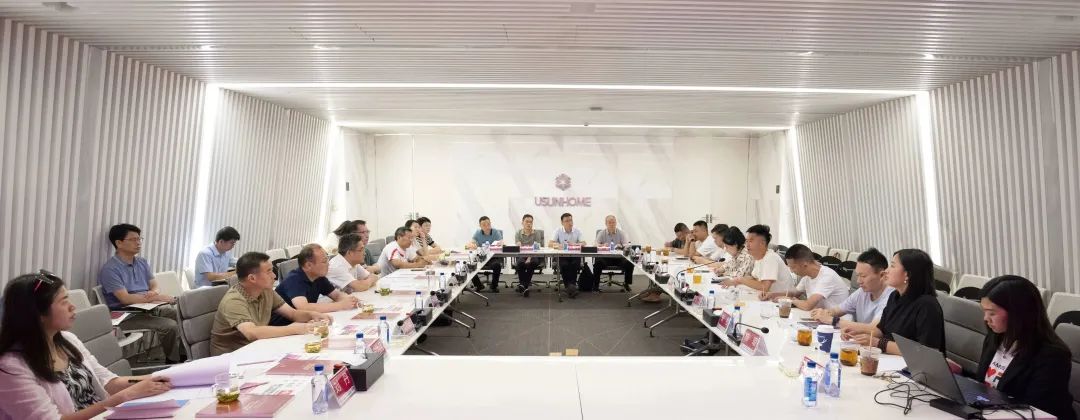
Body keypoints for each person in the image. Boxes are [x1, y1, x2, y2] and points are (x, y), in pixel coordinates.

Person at [0, 272, 173, 420]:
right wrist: (127, 395)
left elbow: (109, 382)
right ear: (38, 313)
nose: (72, 306)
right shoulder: (11, 367)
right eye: (64, 301)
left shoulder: (67, 340)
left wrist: (161, 377)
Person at [955, 276, 1074, 420]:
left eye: (992, 313)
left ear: (1017, 313)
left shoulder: (1052, 356)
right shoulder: (996, 337)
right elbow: (989, 384)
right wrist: (960, 372)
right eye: (984, 312)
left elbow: (1035, 411)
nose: (986, 318)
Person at [211, 252, 332, 356]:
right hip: (232, 357)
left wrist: (312, 315)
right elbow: (251, 332)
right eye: (269, 271)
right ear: (252, 278)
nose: (274, 276)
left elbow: (293, 314)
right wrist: (294, 329)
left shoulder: (266, 291)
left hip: (259, 348)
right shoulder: (234, 301)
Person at [97, 224, 181, 362]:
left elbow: (155, 285)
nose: (138, 243)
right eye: (133, 239)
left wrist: (153, 293)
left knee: (180, 314)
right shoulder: (110, 269)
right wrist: (156, 297)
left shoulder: (142, 262)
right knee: (169, 326)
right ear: (119, 243)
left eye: (139, 239)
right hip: (126, 316)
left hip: (148, 309)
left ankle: (186, 355)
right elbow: (125, 299)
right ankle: (174, 362)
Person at [843, 249, 945, 355]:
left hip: (913, 364)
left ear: (907, 274)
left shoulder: (927, 305)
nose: (886, 271)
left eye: (892, 266)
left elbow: (926, 351)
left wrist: (877, 343)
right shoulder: (894, 296)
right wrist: (855, 332)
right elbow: (881, 330)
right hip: (892, 359)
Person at [810, 248, 893, 333]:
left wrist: (833, 320)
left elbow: (874, 329)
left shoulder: (891, 297)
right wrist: (824, 313)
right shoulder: (862, 292)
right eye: (857, 275)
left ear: (882, 275)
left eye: (863, 276)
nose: (858, 281)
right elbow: (836, 310)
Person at [272, 244, 360, 326]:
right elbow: (304, 307)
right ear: (308, 265)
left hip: (302, 323)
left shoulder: (318, 277)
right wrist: (341, 305)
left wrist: (349, 300)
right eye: (324, 261)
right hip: (281, 326)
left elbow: (336, 295)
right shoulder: (293, 279)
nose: (328, 264)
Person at [766, 244, 850, 310]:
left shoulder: (827, 277)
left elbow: (808, 306)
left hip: (837, 322)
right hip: (821, 317)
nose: (791, 271)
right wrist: (771, 295)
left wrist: (790, 300)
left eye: (793, 267)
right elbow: (795, 293)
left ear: (804, 265)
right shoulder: (808, 275)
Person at [725, 224, 794, 297]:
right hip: (769, 297)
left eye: (751, 241)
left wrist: (740, 280)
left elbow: (764, 287)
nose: (747, 245)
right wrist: (735, 280)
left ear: (762, 243)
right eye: (746, 241)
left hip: (783, 299)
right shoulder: (758, 258)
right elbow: (754, 277)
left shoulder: (770, 258)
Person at [594, 215, 635, 292]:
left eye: (613, 222)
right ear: (606, 224)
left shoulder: (621, 233)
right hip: (605, 258)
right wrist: (602, 245)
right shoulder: (601, 233)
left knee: (629, 263)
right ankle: (595, 285)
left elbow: (627, 245)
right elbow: (595, 244)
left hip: (618, 258)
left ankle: (626, 283)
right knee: (597, 263)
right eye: (609, 222)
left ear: (616, 223)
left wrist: (622, 246)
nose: (612, 224)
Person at [549, 212, 586, 298]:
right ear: (562, 223)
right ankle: (571, 286)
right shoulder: (558, 230)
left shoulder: (577, 230)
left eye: (571, 220)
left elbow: (584, 243)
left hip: (574, 255)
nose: (570, 223)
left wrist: (574, 244)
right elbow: (550, 243)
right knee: (564, 265)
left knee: (574, 265)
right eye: (567, 221)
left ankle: (570, 286)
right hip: (562, 255)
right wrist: (559, 245)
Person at [465, 216, 505, 293]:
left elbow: (502, 242)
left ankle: (494, 286)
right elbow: (472, 242)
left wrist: (500, 243)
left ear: (490, 223)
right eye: (484, 225)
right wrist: (472, 245)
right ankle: (478, 285)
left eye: (488, 224)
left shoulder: (496, 232)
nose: (487, 226)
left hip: (493, 257)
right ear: (480, 226)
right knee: (469, 266)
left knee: (497, 265)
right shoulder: (478, 233)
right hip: (481, 257)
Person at [514, 214, 544, 297]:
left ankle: (523, 285)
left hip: (534, 255)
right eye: (527, 222)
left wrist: (529, 258)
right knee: (520, 263)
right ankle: (524, 286)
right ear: (522, 223)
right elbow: (518, 246)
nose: (529, 224)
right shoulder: (518, 233)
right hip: (522, 255)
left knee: (532, 263)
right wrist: (518, 244)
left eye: (530, 222)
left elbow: (536, 248)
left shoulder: (536, 233)